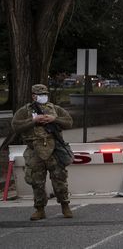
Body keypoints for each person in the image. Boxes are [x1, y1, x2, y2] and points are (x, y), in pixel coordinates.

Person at [11, 84, 74, 221]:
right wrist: (33, 121)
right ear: (33, 96)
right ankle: (39, 209)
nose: (43, 97)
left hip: (54, 150)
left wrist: (54, 119)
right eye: (40, 95)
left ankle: (65, 206)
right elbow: (16, 126)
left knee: (59, 179)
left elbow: (69, 122)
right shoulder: (25, 111)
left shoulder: (55, 109)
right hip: (35, 151)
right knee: (36, 181)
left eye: (45, 94)